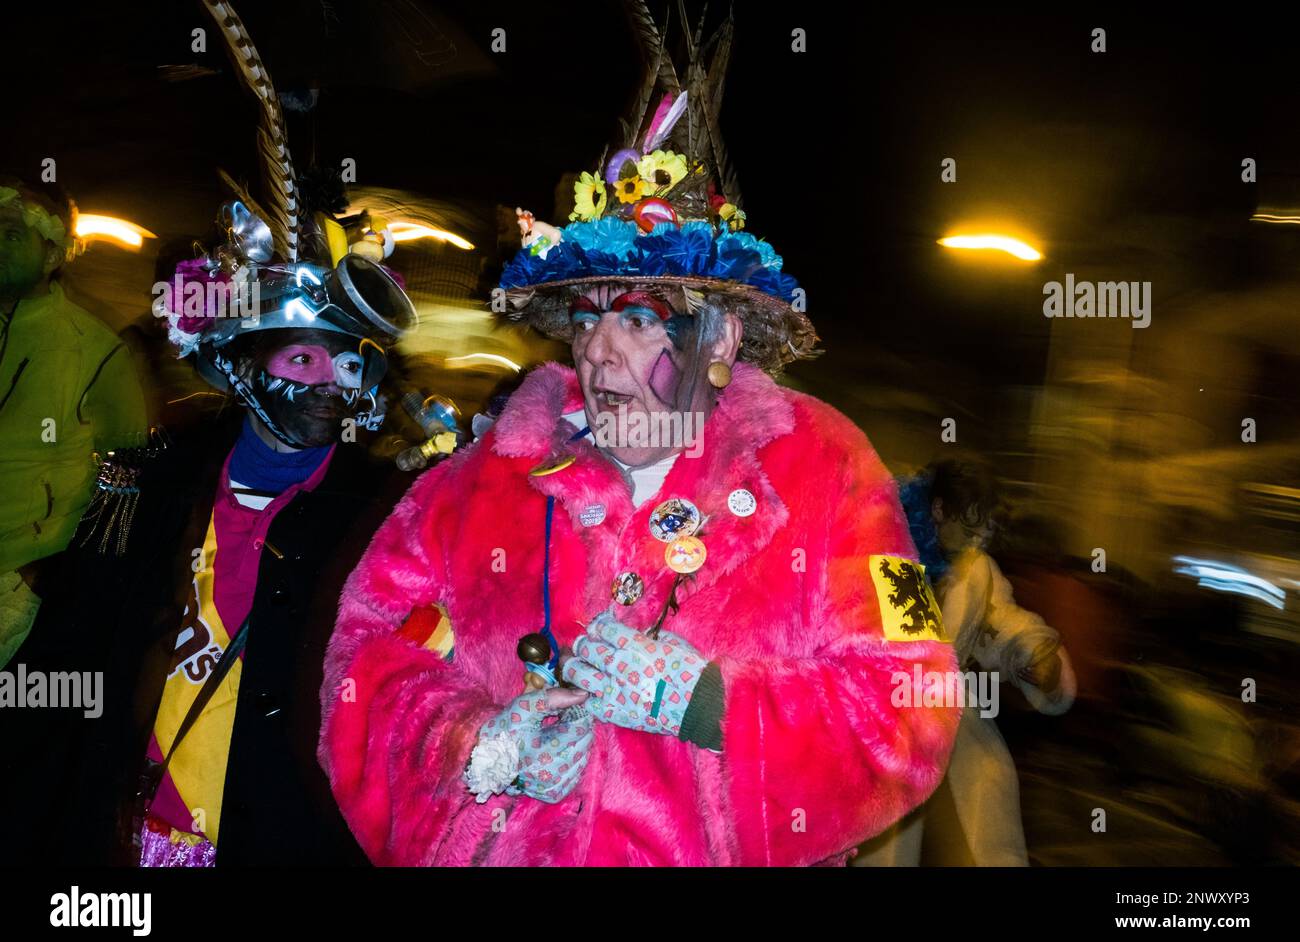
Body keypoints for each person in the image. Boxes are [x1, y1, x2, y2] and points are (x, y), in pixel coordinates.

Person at [318, 10, 959, 866]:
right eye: (585, 318)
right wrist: (477, 745)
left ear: (721, 341)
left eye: (638, 320)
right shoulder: (482, 480)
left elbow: (911, 707)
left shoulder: (824, 469)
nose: (596, 349)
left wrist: (707, 704)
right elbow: (361, 660)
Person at [0, 204, 420, 865]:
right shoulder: (150, 487)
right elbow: (69, 658)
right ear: (242, 368)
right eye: (301, 356)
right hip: (122, 838)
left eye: (343, 364)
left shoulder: (382, 519)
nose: (323, 384)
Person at [856, 458, 1077, 866]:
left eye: (984, 532)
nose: (977, 541)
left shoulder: (976, 570)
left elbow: (1004, 623)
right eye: (970, 528)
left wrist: (1036, 657)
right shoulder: (879, 547)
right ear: (939, 511)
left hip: (951, 737)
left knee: (973, 837)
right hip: (873, 733)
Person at [0, 176, 146, 667]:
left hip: (18, 592)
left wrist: (52, 575)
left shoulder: (97, 350)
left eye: (12, 235)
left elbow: (127, 477)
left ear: (52, 255)